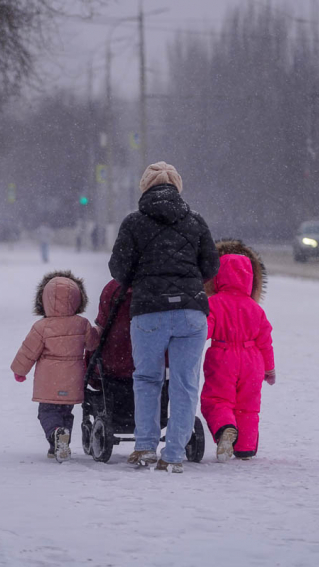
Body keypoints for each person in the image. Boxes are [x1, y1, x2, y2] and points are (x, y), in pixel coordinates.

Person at [108, 161, 219, 473]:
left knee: (147, 379)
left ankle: (144, 447)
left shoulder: (133, 223)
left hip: (149, 312)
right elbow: (211, 265)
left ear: (145, 188)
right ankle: (174, 454)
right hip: (191, 313)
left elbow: (119, 270)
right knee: (185, 384)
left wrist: (142, 279)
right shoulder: (196, 222)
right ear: (177, 188)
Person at [11, 271, 100, 462]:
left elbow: (28, 351)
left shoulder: (41, 327)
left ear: (44, 300)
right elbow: (93, 344)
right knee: (65, 411)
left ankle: (56, 435)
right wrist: (97, 331)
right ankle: (61, 443)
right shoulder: (82, 324)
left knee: (47, 412)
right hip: (72, 379)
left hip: (49, 381)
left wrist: (20, 371)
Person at [201, 244, 275, 462]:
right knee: (248, 406)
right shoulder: (255, 308)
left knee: (217, 399)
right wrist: (269, 368)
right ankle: (245, 448)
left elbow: (204, 331)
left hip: (223, 356)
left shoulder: (213, 303)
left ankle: (225, 428)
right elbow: (265, 340)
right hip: (253, 359)